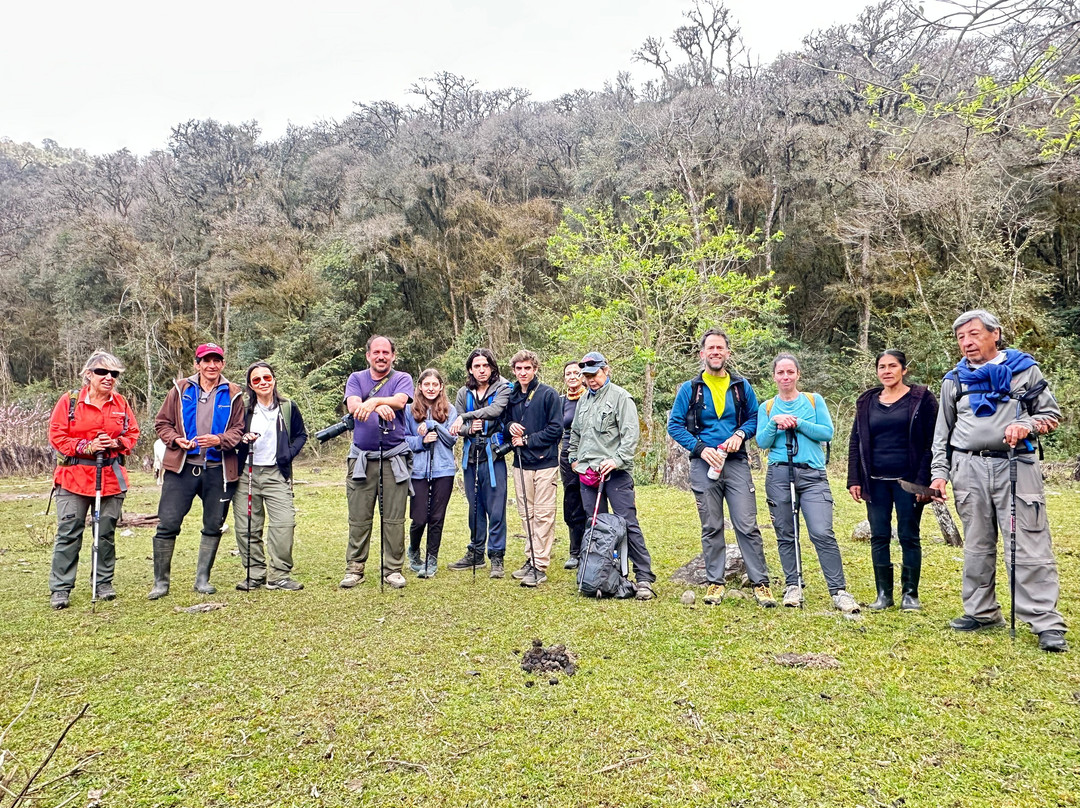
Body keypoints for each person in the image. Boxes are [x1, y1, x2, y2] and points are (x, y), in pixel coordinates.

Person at [930, 310, 1067, 652]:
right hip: (967, 468)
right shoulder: (954, 380)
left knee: (1028, 543)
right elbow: (941, 433)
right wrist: (939, 473)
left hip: (1016, 467)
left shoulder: (1024, 370)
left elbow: (1051, 414)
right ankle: (981, 612)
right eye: (961, 337)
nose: (967, 342)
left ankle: (1044, 622)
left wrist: (1028, 426)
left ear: (995, 334)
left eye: (974, 334)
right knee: (976, 544)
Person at [668, 329, 776, 608]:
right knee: (711, 525)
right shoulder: (689, 389)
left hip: (736, 462)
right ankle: (715, 582)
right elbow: (675, 425)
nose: (716, 352)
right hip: (704, 465)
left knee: (747, 524)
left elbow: (754, 418)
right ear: (702, 354)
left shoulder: (741, 386)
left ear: (728, 353)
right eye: (710, 348)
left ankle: (760, 583)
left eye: (721, 348)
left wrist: (740, 434)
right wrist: (701, 449)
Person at [756, 353, 859, 613]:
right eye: (780, 373)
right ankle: (793, 585)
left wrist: (798, 423)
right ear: (774, 376)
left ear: (798, 374)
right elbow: (762, 442)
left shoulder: (814, 401)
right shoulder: (767, 407)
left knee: (822, 532)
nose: (786, 377)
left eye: (790, 372)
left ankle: (839, 590)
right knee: (786, 533)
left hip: (812, 475)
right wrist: (775, 423)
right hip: (779, 474)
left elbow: (827, 433)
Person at [149, 342, 245, 599]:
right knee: (167, 523)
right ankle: (161, 583)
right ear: (197, 364)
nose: (211, 365)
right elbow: (162, 423)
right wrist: (175, 440)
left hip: (219, 469)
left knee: (213, 524)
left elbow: (239, 429)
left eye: (216, 360)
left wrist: (219, 440)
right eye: (206, 360)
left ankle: (202, 579)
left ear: (223, 364)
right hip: (182, 467)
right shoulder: (180, 389)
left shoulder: (234, 393)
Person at [47, 351, 140, 609]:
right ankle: (61, 588)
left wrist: (117, 443)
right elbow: (57, 436)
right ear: (89, 374)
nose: (108, 377)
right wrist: (86, 446)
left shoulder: (120, 403)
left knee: (105, 532)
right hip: (73, 478)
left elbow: (132, 433)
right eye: (102, 372)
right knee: (69, 532)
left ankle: (103, 582)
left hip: (110, 477)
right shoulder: (70, 401)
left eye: (114, 374)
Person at [847, 350, 938, 611]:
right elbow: (856, 440)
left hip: (908, 482)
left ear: (904, 370)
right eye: (882, 367)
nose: (886, 371)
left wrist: (925, 481)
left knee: (909, 536)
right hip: (875, 481)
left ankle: (910, 595)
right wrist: (855, 478)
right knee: (879, 536)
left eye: (892, 366)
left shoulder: (922, 399)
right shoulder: (866, 402)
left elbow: (933, 442)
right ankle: (883, 595)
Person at [568, 351, 657, 600]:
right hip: (587, 475)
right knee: (595, 526)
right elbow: (575, 434)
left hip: (615, 475)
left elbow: (630, 436)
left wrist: (616, 460)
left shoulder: (621, 397)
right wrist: (574, 460)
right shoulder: (584, 400)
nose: (591, 380)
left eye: (594, 374)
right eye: (586, 376)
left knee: (627, 523)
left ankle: (644, 577)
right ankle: (602, 574)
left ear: (606, 371)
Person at [340, 336, 415, 590]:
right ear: (368, 355)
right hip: (362, 457)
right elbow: (353, 406)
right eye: (376, 352)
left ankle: (393, 569)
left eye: (386, 352)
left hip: (394, 457)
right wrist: (374, 405)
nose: (381, 356)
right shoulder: (356, 379)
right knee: (359, 515)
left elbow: (401, 401)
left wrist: (374, 401)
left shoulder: (402, 378)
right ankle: (355, 568)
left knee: (394, 516)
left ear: (393, 355)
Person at [233, 361, 308, 592]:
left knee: (284, 522)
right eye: (256, 380)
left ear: (274, 380)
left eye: (267, 378)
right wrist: (242, 439)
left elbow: (301, 435)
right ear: (250, 385)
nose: (263, 382)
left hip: (276, 473)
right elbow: (231, 435)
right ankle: (254, 574)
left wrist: (287, 455)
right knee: (248, 526)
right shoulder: (243, 409)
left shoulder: (287, 407)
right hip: (247, 471)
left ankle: (279, 575)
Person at [448, 349, 512, 577]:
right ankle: (475, 552)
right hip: (471, 456)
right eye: (477, 366)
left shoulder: (503, 388)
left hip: (493, 455)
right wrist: (468, 428)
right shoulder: (463, 392)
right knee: (475, 508)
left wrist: (467, 417)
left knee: (496, 509)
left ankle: (497, 556)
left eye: (485, 365)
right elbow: (456, 426)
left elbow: (496, 411)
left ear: (492, 367)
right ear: (470, 369)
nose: (481, 370)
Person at [502, 350, 563, 588]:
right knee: (526, 514)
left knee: (543, 514)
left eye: (527, 368)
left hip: (545, 463)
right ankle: (531, 557)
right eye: (519, 369)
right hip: (520, 464)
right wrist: (511, 426)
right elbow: (504, 421)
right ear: (514, 371)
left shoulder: (548, 394)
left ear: (535, 369)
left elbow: (556, 429)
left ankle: (540, 565)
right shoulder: (513, 395)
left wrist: (527, 439)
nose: (523, 373)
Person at [404, 368, 458, 579]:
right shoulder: (409, 411)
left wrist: (434, 425)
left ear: (441, 387)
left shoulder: (450, 410)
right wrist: (421, 441)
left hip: (443, 470)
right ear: (419, 387)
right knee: (419, 518)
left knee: (437, 516)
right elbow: (403, 440)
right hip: (418, 470)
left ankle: (431, 559)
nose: (431, 388)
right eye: (427, 384)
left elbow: (452, 439)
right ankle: (414, 552)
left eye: (435, 385)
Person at [559, 361, 588, 570]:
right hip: (567, 456)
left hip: (590, 456)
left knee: (590, 500)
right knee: (572, 501)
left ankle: (593, 548)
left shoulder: (591, 398)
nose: (572, 377)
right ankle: (574, 551)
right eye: (568, 373)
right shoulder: (560, 402)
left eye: (576, 373)